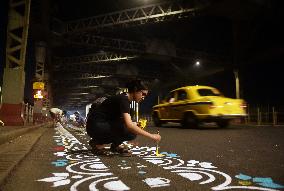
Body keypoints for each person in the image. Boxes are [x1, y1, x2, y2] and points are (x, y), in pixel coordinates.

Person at [86, 79, 161, 157]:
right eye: (143, 94)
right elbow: (130, 126)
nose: (143, 97)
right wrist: (152, 136)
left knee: (130, 128)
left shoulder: (124, 99)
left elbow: (123, 121)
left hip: (98, 125)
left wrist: (134, 124)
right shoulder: (123, 99)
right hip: (96, 126)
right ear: (135, 90)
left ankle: (114, 145)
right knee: (131, 131)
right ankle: (97, 143)